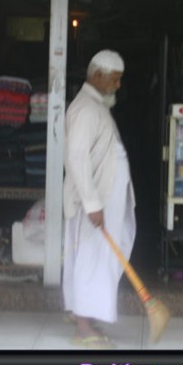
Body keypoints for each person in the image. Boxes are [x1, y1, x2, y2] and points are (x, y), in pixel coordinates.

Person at [62, 49, 137, 349]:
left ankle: (85, 316)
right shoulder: (85, 110)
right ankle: (82, 328)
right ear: (97, 77)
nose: (118, 86)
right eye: (115, 80)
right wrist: (93, 205)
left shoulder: (96, 106)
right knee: (92, 261)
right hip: (95, 204)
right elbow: (77, 159)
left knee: (97, 259)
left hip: (103, 202)